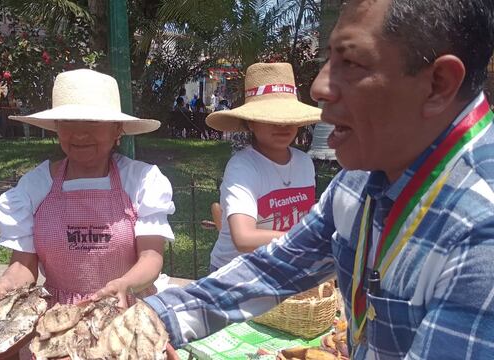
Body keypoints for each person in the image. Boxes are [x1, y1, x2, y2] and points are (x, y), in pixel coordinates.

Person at [144, 0, 494, 359]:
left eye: (352, 63)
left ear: (438, 84)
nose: (320, 87)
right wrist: (142, 324)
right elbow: (271, 269)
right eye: (329, 59)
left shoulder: (482, 229)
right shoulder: (359, 183)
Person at [0, 69, 175, 309]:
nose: (79, 133)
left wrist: (125, 284)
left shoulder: (141, 181)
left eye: (93, 121)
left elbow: (151, 257)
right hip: (60, 315)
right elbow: (24, 264)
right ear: (56, 126)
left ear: (117, 129)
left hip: (125, 309)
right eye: (68, 122)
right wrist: (9, 282)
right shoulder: (35, 187)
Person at [206, 63, 321, 271]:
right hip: (235, 274)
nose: (282, 126)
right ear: (251, 123)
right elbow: (244, 237)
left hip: (280, 267)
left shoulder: (304, 162)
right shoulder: (243, 166)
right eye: (270, 118)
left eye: (289, 117)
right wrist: (306, 239)